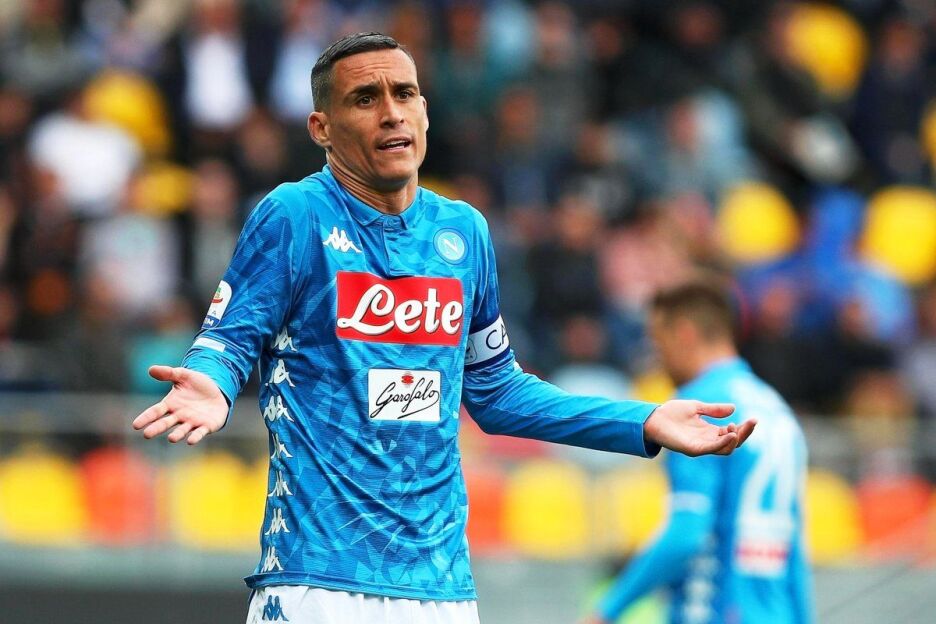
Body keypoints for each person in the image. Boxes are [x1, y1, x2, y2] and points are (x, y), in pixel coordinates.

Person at [132, 32, 755, 624]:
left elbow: (497, 391)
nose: (391, 113)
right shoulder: (294, 215)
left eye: (404, 94)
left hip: (441, 591)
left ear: (425, 112)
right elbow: (230, 338)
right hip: (318, 583)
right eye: (365, 99)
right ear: (321, 128)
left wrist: (643, 421)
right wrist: (211, 381)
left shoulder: (463, 233)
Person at [583, 280, 813, 624]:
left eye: (658, 344)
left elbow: (687, 534)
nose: (659, 360)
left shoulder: (700, 410)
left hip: (715, 611)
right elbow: (793, 546)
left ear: (684, 334)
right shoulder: (776, 410)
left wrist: (605, 611)